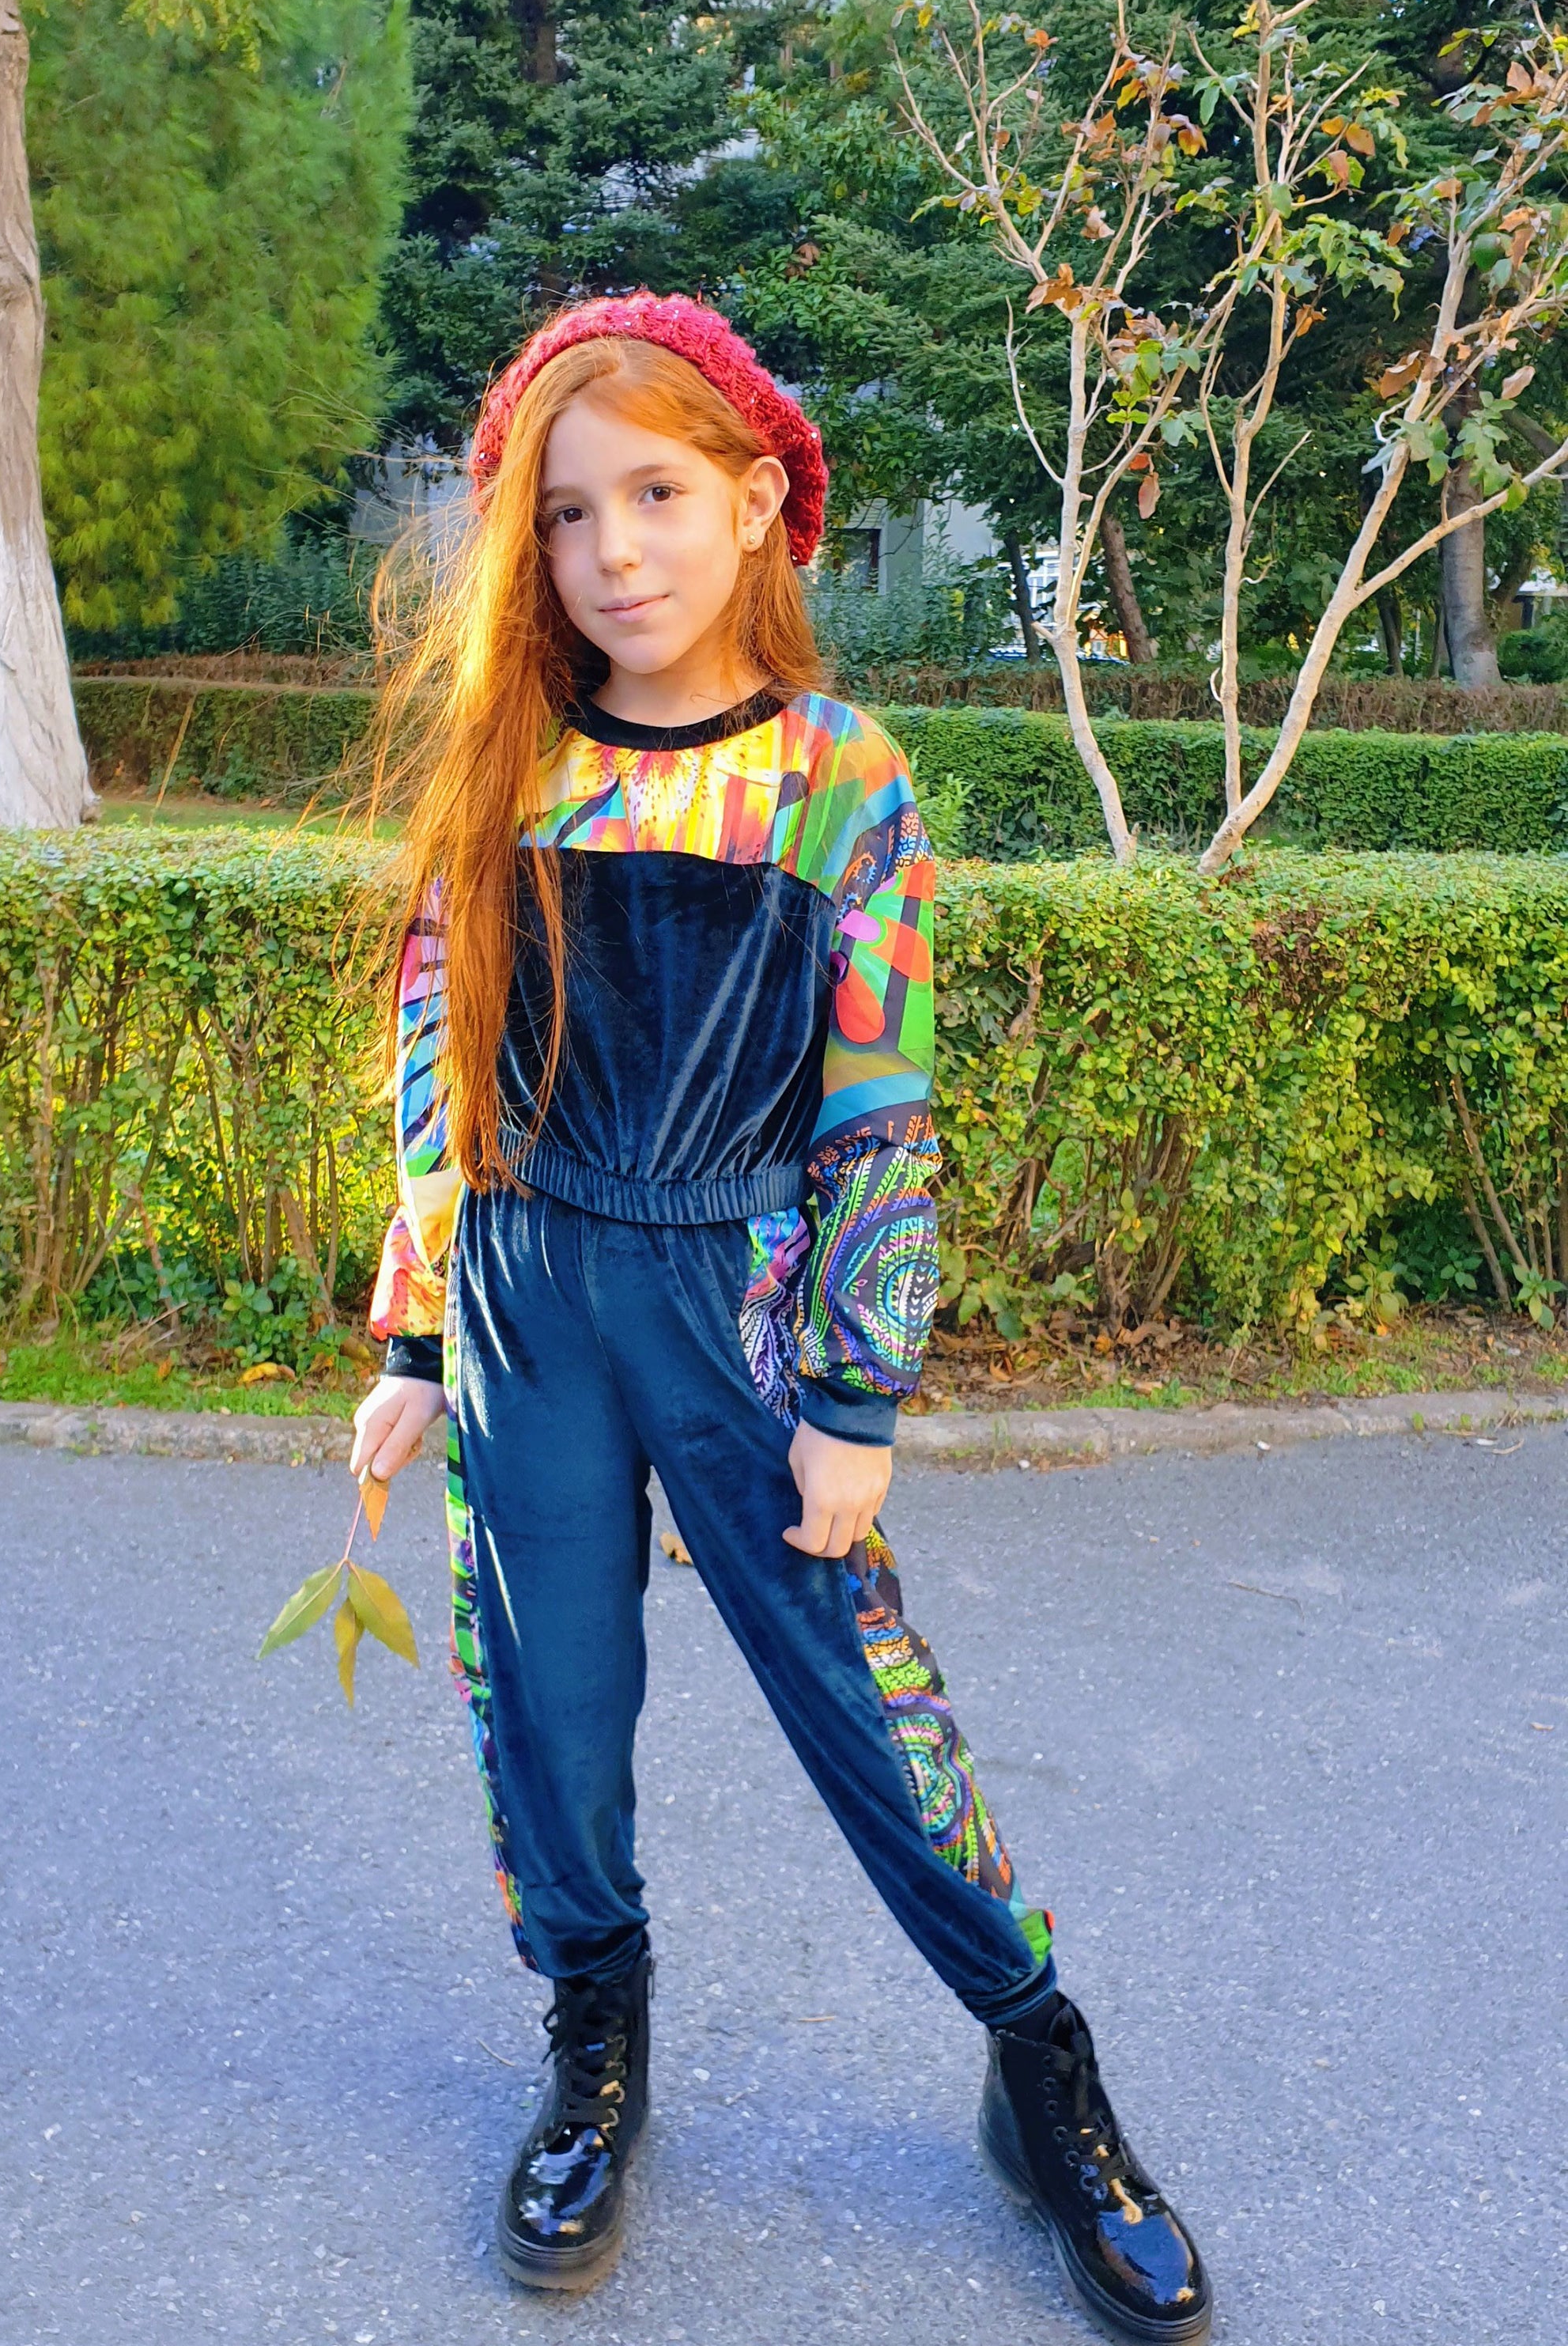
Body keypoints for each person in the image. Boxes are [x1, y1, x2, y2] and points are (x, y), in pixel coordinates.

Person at [348, 291, 1211, 2341]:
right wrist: (414, 1336)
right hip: (528, 1302)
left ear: (756, 504)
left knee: (865, 1700)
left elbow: (879, 1108)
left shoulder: (841, 782)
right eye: (567, 515)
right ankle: (596, 2037)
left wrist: (856, 1391)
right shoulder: (515, 766)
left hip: (739, 1313)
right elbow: (437, 1049)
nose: (612, 551)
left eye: (656, 494)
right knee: (546, 1702)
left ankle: (1043, 2064)